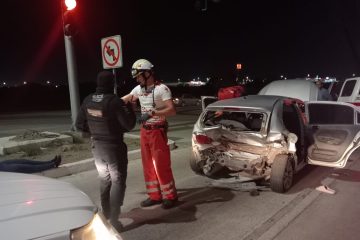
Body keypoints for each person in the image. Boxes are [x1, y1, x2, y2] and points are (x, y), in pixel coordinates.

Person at [75, 70, 136, 231]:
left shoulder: (88, 100)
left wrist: (95, 134)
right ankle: (114, 220)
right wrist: (130, 108)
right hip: (114, 148)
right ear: (112, 84)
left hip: (97, 147)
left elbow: (79, 125)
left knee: (104, 180)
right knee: (117, 181)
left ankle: (106, 215)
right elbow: (129, 125)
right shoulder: (114, 101)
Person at [122, 59, 178, 209]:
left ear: (147, 73)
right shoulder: (138, 89)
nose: (137, 79)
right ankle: (154, 196)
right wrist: (109, 103)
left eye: (139, 75)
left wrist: (154, 113)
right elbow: (126, 98)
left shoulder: (162, 89)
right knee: (147, 165)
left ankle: (170, 196)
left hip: (157, 131)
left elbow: (171, 110)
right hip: (144, 131)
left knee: (161, 165)